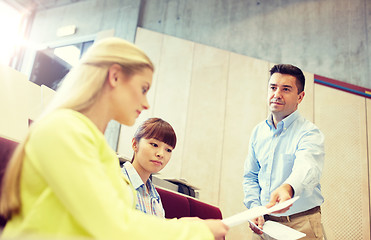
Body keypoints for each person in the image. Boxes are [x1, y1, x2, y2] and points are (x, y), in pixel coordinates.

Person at [0, 37, 228, 240]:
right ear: (115, 76)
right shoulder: (63, 129)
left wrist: (179, 226)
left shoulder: (94, 144)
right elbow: (113, 226)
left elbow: (111, 220)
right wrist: (197, 232)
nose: (147, 103)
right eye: (143, 88)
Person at [243, 64, 325, 240]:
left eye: (286, 89)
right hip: (264, 225)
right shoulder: (258, 132)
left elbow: (308, 167)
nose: (277, 94)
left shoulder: (309, 133)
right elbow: (250, 176)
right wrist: (254, 207)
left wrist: (288, 188)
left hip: (302, 224)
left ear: (300, 97)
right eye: (273, 87)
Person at [122, 117, 176, 217]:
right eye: (154, 145)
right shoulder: (118, 181)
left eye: (168, 150)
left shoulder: (155, 196)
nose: (161, 154)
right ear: (135, 144)